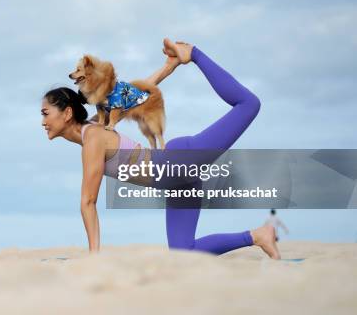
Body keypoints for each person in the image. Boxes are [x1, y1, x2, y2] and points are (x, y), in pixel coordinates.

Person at [41, 38, 281, 259]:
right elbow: (137, 94)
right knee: (184, 253)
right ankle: (258, 236)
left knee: (249, 104)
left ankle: (195, 53)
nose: (42, 121)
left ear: (67, 113)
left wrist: (94, 256)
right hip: (176, 180)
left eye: (45, 113)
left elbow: (88, 201)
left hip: (179, 161)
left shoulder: (93, 138)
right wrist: (168, 68)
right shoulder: (97, 126)